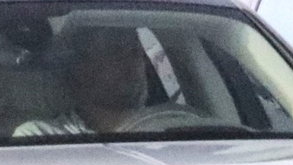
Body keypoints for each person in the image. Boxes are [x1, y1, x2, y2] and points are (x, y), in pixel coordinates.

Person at [12, 25, 207, 137]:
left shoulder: (186, 123)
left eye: (134, 50)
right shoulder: (42, 136)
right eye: (114, 51)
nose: (130, 60)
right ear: (79, 68)